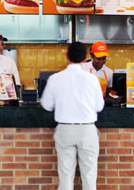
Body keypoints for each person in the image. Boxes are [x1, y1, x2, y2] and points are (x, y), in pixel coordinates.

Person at [41, 42, 104, 190]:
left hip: (65, 130)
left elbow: (46, 105)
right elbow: (99, 107)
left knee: (65, 178)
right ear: (85, 59)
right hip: (87, 130)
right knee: (89, 178)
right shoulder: (92, 79)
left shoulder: (55, 78)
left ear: (67, 56)